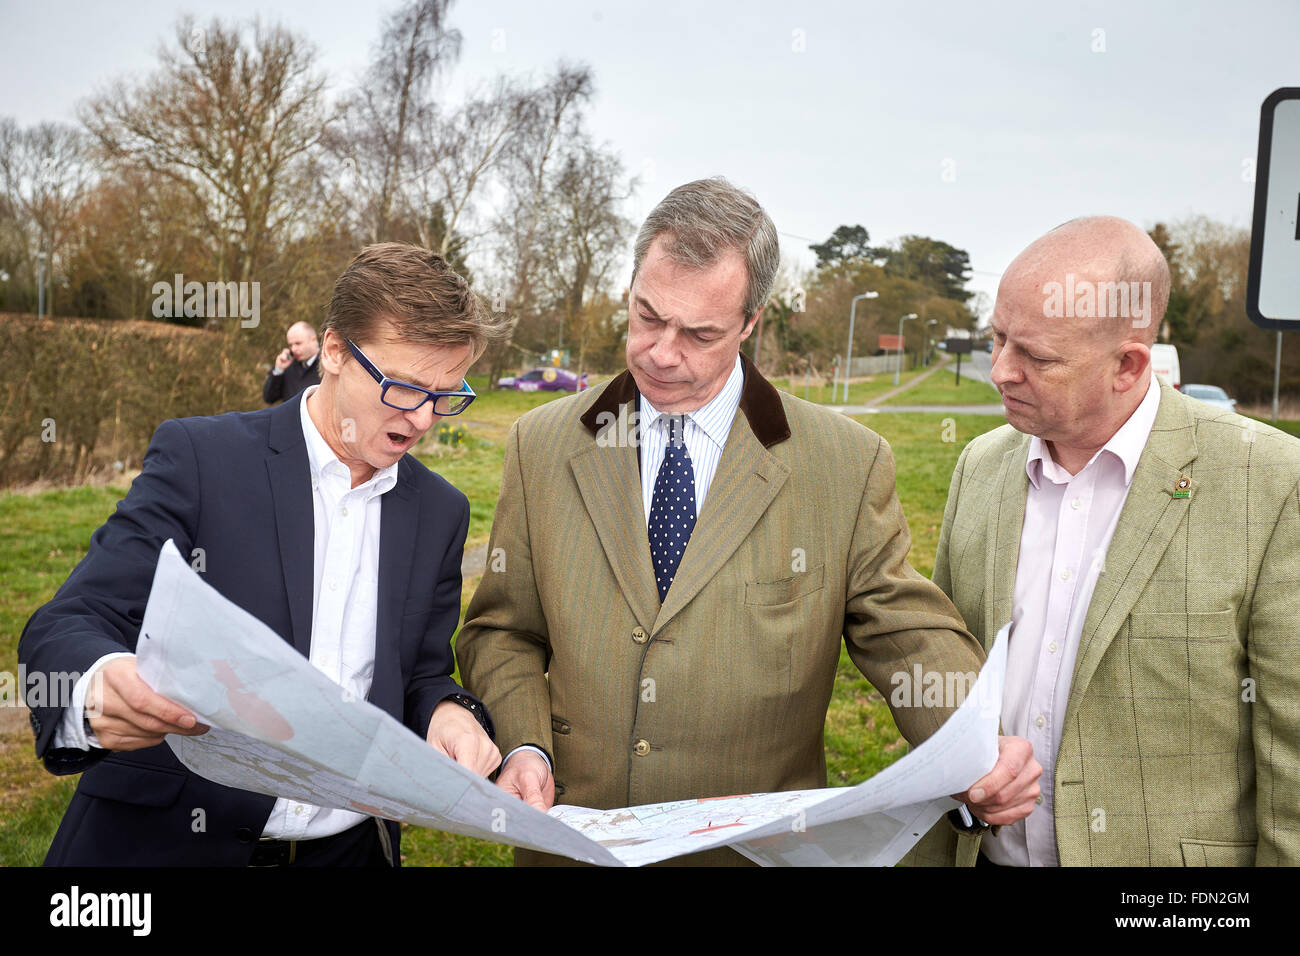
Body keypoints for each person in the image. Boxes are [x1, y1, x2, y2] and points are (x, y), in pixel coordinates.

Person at [456, 178, 1041, 866]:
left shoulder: (844, 464)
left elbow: (904, 634)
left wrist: (975, 749)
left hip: (751, 854)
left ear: (752, 321)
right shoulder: (541, 444)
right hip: (570, 847)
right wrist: (524, 743)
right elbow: (502, 631)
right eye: (647, 316)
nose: (661, 352)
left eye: (699, 333)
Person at [20, 243, 506, 866]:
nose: (422, 421)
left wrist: (449, 712)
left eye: (445, 394)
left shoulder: (441, 511)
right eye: (404, 388)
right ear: (334, 352)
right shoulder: (203, 458)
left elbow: (419, 676)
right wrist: (95, 685)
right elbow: (70, 620)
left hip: (347, 854)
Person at [905, 217, 1300, 867]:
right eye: (997, 338)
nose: (1000, 371)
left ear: (1128, 366)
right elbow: (950, 672)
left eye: (1034, 355)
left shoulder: (1272, 483)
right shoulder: (979, 465)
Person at [263, 321, 321, 404]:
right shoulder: (288, 365)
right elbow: (269, 397)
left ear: (313, 340)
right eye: (290, 345)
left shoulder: (329, 365)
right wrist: (279, 370)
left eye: (298, 343)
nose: (293, 349)